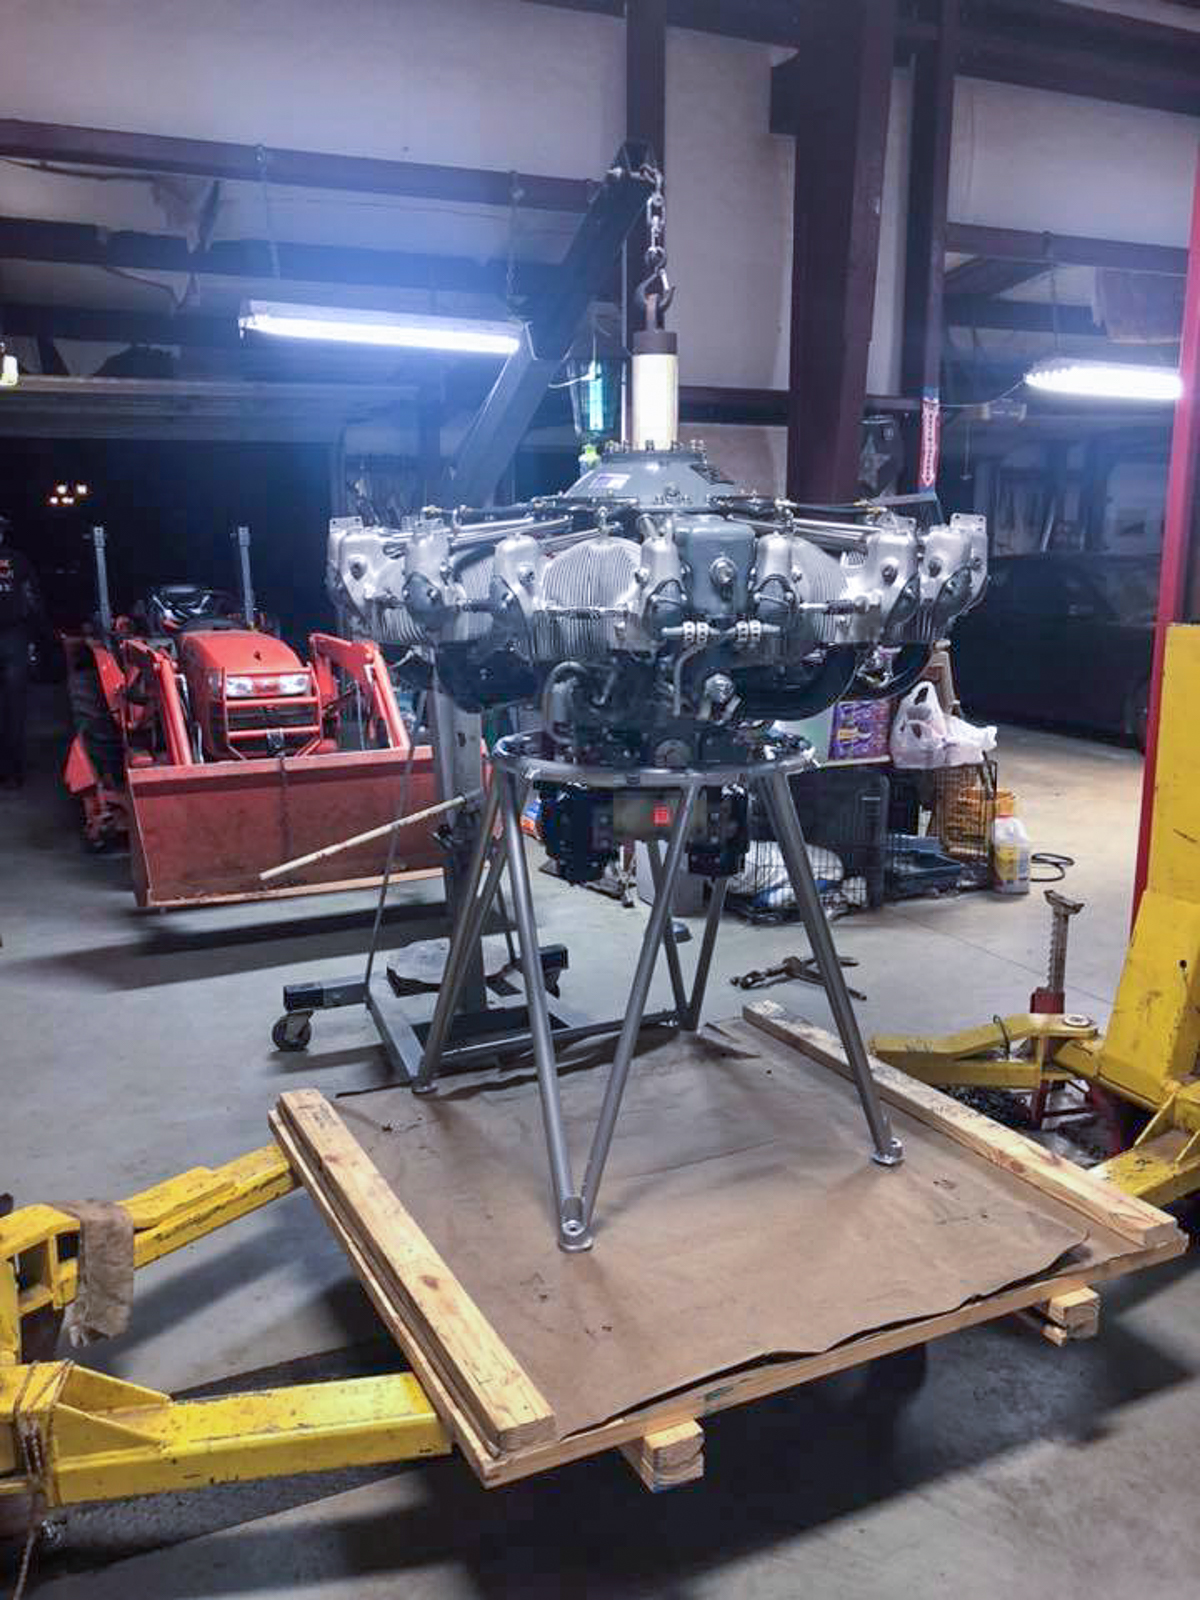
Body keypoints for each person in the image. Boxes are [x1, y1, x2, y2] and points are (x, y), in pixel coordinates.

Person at [0, 514, 41, 788]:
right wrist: (39, 638)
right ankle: (13, 773)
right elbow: (32, 600)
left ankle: (11, 771)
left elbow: (32, 600)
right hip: (13, 638)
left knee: (13, 707)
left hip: (13, 637)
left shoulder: (19, 561)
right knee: (14, 706)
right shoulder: (18, 561)